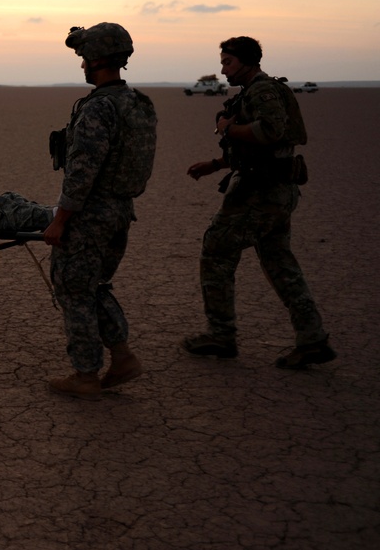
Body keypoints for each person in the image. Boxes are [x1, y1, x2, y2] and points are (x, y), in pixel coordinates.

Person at [183, 36, 335, 368]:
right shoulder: (253, 93)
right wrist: (216, 164)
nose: (223, 70)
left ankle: (221, 334)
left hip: (260, 192)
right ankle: (312, 339)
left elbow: (271, 131)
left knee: (217, 249)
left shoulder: (263, 92)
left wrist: (228, 128)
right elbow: (260, 149)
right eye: (222, 62)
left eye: (228, 62)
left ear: (249, 61)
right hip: (272, 189)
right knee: (280, 264)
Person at [43, 23, 157, 400]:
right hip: (122, 210)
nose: (82, 66)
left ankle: (85, 375)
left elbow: (81, 172)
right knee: (96, 286)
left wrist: (61, 220)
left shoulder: (99, 108)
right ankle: (122, 357)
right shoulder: (137, 103)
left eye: (84, 59)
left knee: (73, 289)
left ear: (97, 59)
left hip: (91, 214)